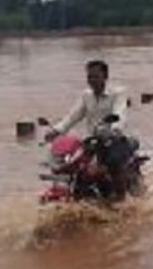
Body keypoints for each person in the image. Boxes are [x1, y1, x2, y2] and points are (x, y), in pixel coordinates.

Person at [46, 60, 134, 199]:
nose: (92, 80)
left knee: (114, 162)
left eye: (95, 76)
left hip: (114, 140)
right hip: (93, 141)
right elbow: (73, 116)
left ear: (105, 76)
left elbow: (120, 113)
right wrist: (56, 130)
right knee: (74, 164)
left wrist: (114, 129)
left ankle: (121, 200)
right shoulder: (86, 95)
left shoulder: (118, 93)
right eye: (89, 77)